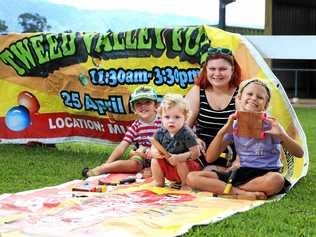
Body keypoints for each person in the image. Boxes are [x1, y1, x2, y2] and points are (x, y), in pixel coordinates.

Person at [186, 78, 304, 199]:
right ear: (239, 98)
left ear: (266, 104)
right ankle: (242, 193)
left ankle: (227, 190)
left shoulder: (272, 125)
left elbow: (299, 153)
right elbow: (210, 158)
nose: (253, 98)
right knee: (192, 178)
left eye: (260, 97)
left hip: (266, 173)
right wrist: (222, 132)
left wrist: (282, 135)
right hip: (241, 172)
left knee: (277, 180)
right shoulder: (234, 125)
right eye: (249, 94)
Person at [82, 86, 161, 178]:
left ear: (156, 106)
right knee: (134, 164)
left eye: (147, 102)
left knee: (153, 172)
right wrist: (107, 164)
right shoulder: (135, 126)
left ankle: (148, 170)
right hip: (141, 157)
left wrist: (153, 153)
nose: (143, 106)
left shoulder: (163, 122)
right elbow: (122, 147)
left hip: (159, 156)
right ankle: (102, 169)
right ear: (134, 109)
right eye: (138, 103)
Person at [185, 47, 242, 170]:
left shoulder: (241, 93)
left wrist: (239, 160)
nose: (217, 73)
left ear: (233, 70)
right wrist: (193, 139)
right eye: (212, 69)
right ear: (206, 70)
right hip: (202, 147)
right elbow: (183, 126)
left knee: (205, 174)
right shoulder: (197, 91)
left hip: (231, 149)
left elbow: (247, 132)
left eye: (222, 69)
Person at [150, 94, 201, 189]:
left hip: (189, 169)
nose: (171, 121)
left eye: (177, 117)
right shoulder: (161, 131)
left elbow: (196, 153)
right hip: (170, 167)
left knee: (181, 162)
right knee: (154, 160)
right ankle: (159, 182)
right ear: (161, 117)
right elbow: (154, 144)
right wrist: (155, 152)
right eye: (167, 117)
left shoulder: (186, 133)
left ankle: (185, 184)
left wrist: (179, 157)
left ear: (185, 118)